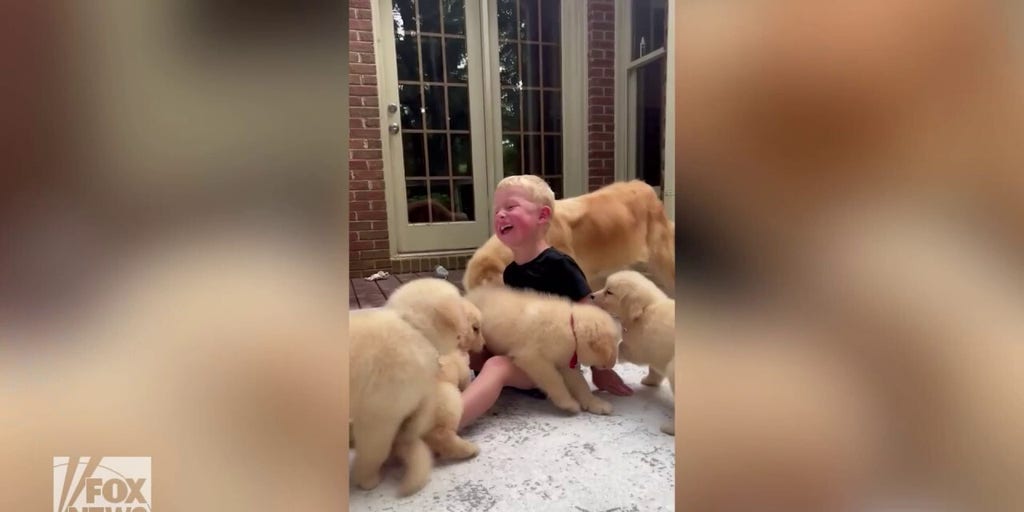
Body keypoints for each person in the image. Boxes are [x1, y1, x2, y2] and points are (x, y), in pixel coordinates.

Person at [458, 175, 633, 430]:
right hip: (521, 350)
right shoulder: (511, 272)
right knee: (462, 346)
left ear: (542, 216)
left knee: (497, 367)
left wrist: (600, 369)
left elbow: (593, 323)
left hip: (549, 365)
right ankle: (417, 404)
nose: (500, 215)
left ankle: (444, 426)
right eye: (496, 210)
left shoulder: (560, 265)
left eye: (510, 207)